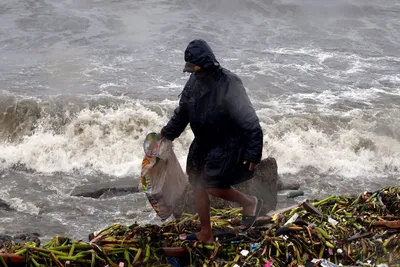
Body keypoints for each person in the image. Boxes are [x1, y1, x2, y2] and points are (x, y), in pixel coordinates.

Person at [160, 39, 264, 244]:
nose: (194, 74)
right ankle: (205, 233)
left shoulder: (229, 83)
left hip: (228, 142)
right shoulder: (193, 82)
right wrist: (166, 134)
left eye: (197, 70)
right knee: (197, 183)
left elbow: (249, 119)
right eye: (192, 71)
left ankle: (250, 203)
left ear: (207, 64)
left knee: (213, 186)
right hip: (203, 142)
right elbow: (183, 113)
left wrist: (254, 152)